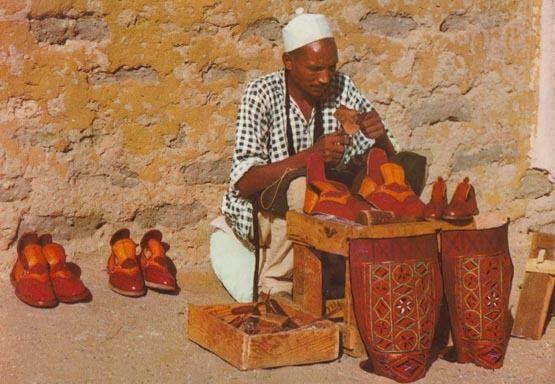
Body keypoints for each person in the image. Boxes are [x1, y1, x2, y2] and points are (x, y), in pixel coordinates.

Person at [210, 9, 398, 301]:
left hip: (322, 210)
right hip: (266, 213)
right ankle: (278, 284)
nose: (325, 78)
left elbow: (389, 161)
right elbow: (245, 182)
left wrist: (381, 136)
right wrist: (312, 157)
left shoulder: (341, 87)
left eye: (331, 67)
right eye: (315, 69)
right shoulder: (260, 94)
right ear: (289, 63)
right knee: (300, 190)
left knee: (381, 184)